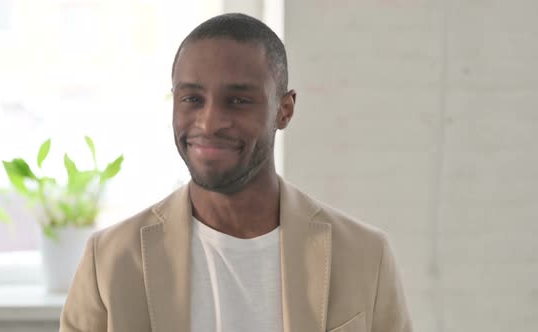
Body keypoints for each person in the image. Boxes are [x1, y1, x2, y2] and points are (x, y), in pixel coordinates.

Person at [60, 13, 412, 332]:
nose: (209, 122)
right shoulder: (109, 260)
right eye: (192, 99)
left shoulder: (365, 255)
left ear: (284, 110)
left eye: (239, 100)